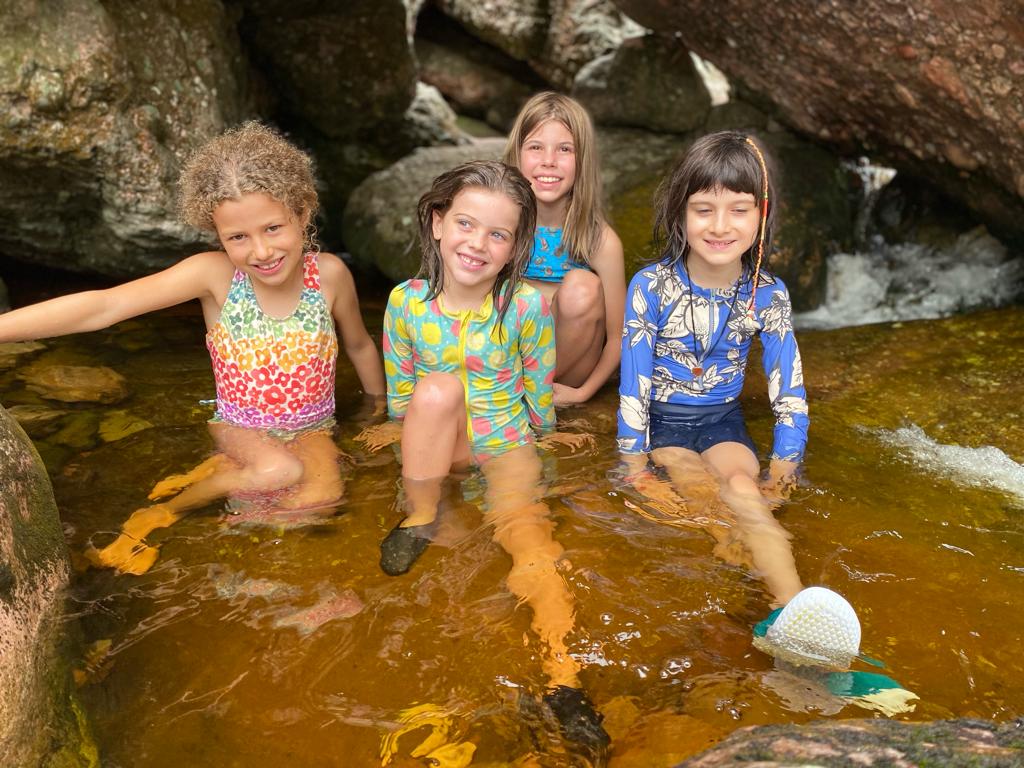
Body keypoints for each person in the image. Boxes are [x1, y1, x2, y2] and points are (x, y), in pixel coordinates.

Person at [0, 121, 385, 575]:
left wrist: (381, 411)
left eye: (273, 227)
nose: (261, 251)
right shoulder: (214, 276)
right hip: (242, 425)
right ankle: (162, 513)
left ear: (302, 214)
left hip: (314, 428)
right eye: (237, 237)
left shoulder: (332, 275)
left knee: (320, 503)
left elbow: (360, 345)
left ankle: (222, 476)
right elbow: (104, 306)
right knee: (276, 474)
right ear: (217, 234)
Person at [372, 160, 610, 757]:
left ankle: (564, 680)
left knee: (531, 544)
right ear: (436, 223)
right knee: (436, 389)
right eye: (466, 224)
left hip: (505, 446)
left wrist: (546, 446)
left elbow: (536, 391)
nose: (477, 243)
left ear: (513, 248)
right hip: (441, 447)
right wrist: (386, 434)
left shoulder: (526, 306)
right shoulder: (405, 303)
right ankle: (421, 514)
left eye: (497, 234)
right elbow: (403, 397)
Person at [617, 131, 860, 667]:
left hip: (723, 422)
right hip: (665, 427)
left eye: (738, 209)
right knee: (696, 486)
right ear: (680, 214)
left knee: (745, 492)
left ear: (762, 215)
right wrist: (634, 469)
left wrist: (785, 466)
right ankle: (749, 586)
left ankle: (790, 605)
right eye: (704, 209)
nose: (720, 226)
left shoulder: (768, 294)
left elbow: (789, 389)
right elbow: (633, 385)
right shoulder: (651, 287)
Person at [503, 92, 625, 406]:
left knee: (582, 287)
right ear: (516, 153)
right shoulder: (497, 224)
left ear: (582, 160)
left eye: (565, 149)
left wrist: (583, 393)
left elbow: (619, 338)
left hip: (566, 373)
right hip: (508, 358)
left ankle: (528, 395)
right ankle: (505, 390)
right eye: (535, 147)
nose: (549, 161)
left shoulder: (601, 240)